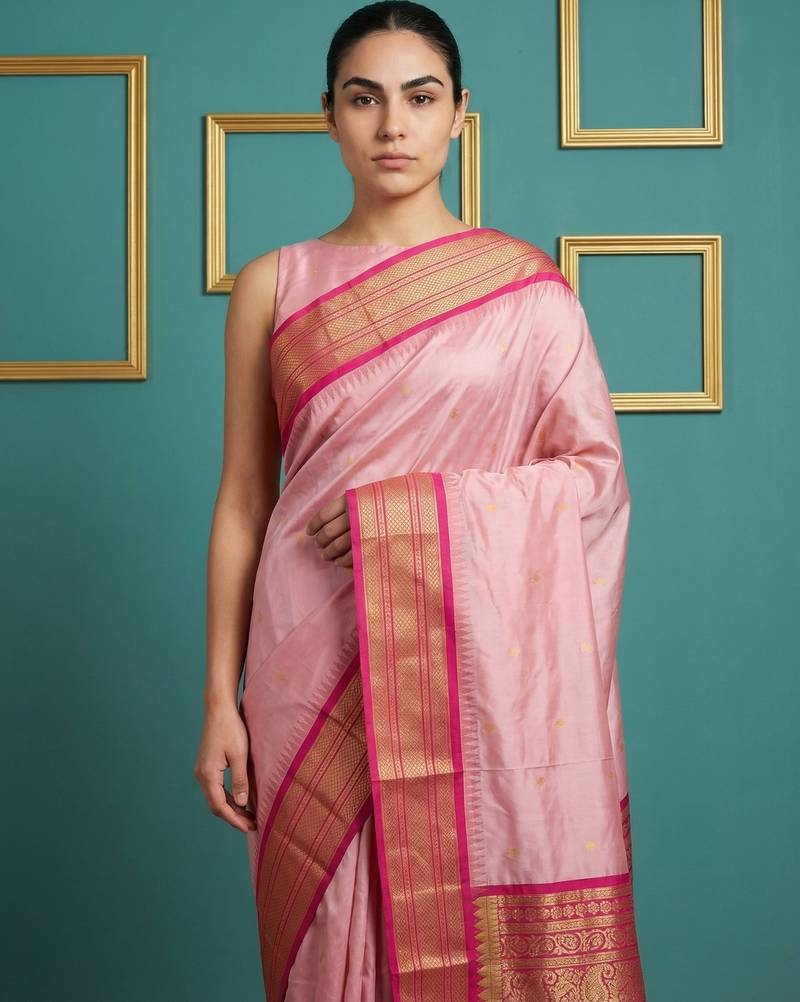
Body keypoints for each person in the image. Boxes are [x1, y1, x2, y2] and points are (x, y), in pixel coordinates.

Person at [194, 2, 648, 999]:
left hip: (470, 670)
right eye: (364, 100)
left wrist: (403, 516)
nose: (392, 126)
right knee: (325, 952)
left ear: (459, 114)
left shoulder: (528, 294)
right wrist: (218, 698)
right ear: (328, 115)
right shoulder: (274, 284)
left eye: (419, 97)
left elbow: (592, 483)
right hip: (309, 665)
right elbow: (243, 502)